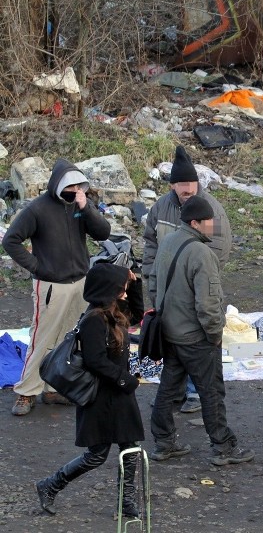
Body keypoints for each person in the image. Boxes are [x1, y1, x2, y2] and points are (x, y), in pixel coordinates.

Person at [148, 196, 254, 466]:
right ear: (195, 223)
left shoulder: (168, 242)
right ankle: (223, 448)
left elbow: (153, 283)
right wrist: (215, 333)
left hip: (169, 332)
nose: (213, 225)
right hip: (195, 338)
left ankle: (164, 442)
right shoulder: (203, 254)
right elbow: (207, 303)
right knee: (211, 392)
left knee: (169, 388)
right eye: (209, 221)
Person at [2, 159, 111, 416]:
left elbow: (103, 233)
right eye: (70, 186)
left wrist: (87, 209)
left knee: (68, 339)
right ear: (58, 185)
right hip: (51, 285)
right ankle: (26, 392)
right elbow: (11, 241)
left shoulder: (80, 206)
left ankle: (52, 388)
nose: (75, 190)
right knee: (42, 338)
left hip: (79, 283)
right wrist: (38, 267)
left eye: (78, 185)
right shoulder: (37, 209)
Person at [35, 263, 144, 517]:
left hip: (119, 393)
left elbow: (137, 315)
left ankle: (126, 502)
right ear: (109, 291)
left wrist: (135, 282)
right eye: (122, 289)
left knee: (130, 449)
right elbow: (95, 361)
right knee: (97, 455)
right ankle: (50, 485)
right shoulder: (94, 320)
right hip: (101, 396)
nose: (125, 293)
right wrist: (124, 380)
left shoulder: (114, 311)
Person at [142, 145, 232, 414]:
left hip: (195, 285)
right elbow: (150, 245)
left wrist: (195, 273)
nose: (187, 193)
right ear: (173, 187)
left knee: (196, 338)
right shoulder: (160, 209)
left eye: (191, 187)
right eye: (182, 189)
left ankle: (194, 392)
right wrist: (151, 278)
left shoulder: (209, 210)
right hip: (166, 287)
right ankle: (174, 392)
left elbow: (219, 248)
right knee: (173, 340)